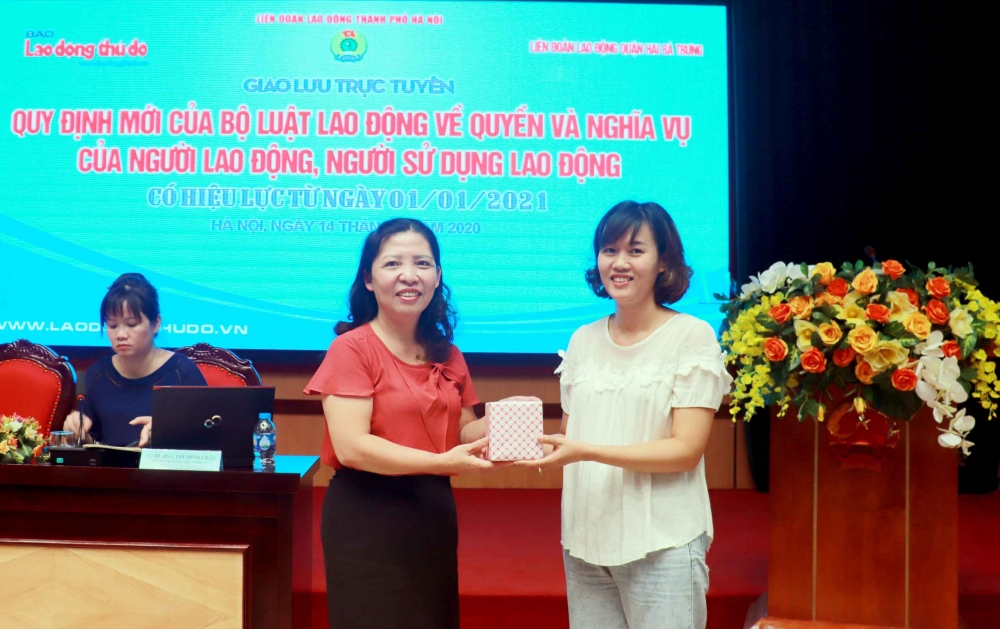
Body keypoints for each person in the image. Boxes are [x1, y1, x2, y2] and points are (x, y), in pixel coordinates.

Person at [520, 201, 732, 629]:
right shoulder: (582, 340)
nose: (619, 263)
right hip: (585, 541)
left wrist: (586, 450)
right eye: (609, 250)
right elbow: (570, 436)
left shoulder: (691, 336)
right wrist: (523, 443)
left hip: (662, 543)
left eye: (636, 251)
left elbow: (685, 451)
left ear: (663, 262)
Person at [304, 218, 495, 629]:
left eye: (422, 263)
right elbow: (353, 447)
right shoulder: (351, 349)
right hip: (366, 514)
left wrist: (502, 423)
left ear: (437, 276)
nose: (409, 275)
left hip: (432, 513)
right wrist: (441, 462)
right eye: (392, 264)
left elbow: (462, 432)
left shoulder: (448, 353)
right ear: (368, 279)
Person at [63, 273, 207, 447]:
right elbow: (94, 446)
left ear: (156, 323)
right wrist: (76, 435)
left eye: (131, 324)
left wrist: (168, 433)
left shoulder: (183, 372)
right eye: (112, 325)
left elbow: (208, 438)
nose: (121, 334)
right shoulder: (97, 374)